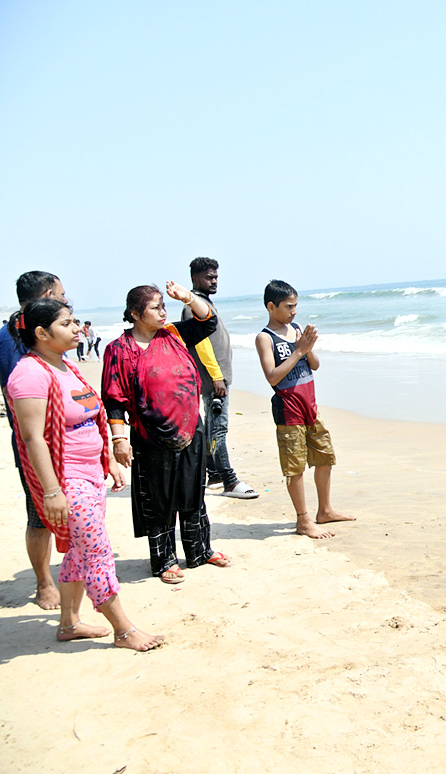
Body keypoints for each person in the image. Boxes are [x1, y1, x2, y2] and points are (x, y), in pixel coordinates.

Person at [7, 298, 163, 650]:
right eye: (67, 323)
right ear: (42, 333)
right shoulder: (29, 374)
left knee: (79, 552)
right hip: (66, 480)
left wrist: (106, 457)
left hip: (90, 475)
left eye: (76, 321)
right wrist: (51, 491)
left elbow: (87, 419)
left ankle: (69, 623)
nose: (78, 328)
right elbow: (33, 439)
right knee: (97, 553)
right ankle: (124, 630)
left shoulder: (65, 366)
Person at [102, 282, 232, 582]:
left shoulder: (172, 335)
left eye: (164, 306)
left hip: (191, 429)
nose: (163, 312)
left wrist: (188, 297)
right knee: (159, 498)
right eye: (155, 307)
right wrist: (119, 440)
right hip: (150, 435)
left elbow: (207, 321)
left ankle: (200, 550)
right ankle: (164, 560)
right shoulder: (119, 350)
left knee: (193, 492)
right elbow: (114, 400)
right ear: (135, 314)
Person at [255, 280, 354, 539]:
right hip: (289, 410)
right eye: (289, 306)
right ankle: (303, 519)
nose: (294, 311)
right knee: (295, 466)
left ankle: (325, 510)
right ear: (271, 306)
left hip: (311, 405)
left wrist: (307, 350)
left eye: (296, 305)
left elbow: (316, 365)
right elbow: (272, 376)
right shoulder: (265, 338)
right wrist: (298, 351)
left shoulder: (297, 329)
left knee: (325, 456)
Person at [1, 271, 68, 608]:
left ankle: (74, 574)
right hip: (32, 444)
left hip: (67, 441)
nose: (65, 299)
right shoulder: (8, 338)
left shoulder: (56, 333)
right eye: (61, 293)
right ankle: (44, 582)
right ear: (47, 293)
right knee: (39, 514)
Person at [182, 256, 258, 499]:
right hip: (212, 378)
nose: (214, 281)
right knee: (218, 429)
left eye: (216, 276)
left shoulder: (203, 303)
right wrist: (216, 376)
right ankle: (229, 480)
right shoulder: (194, 306)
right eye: (209, 277)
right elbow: (201, 343)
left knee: (213, 428)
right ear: (195, 278)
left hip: (215, 377)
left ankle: (212, 473)